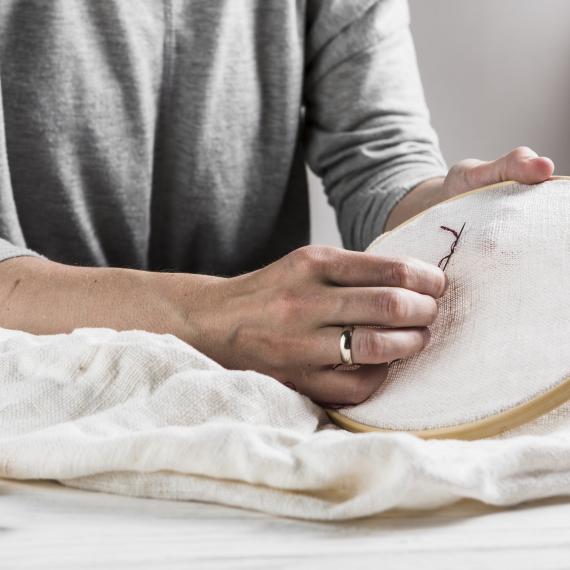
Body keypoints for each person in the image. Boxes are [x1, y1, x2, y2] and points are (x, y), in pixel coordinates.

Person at [0, 0, 555, 407]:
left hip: (248, 401)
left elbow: (379, 157)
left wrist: (449, 216)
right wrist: (215, 315)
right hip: (27, 397)